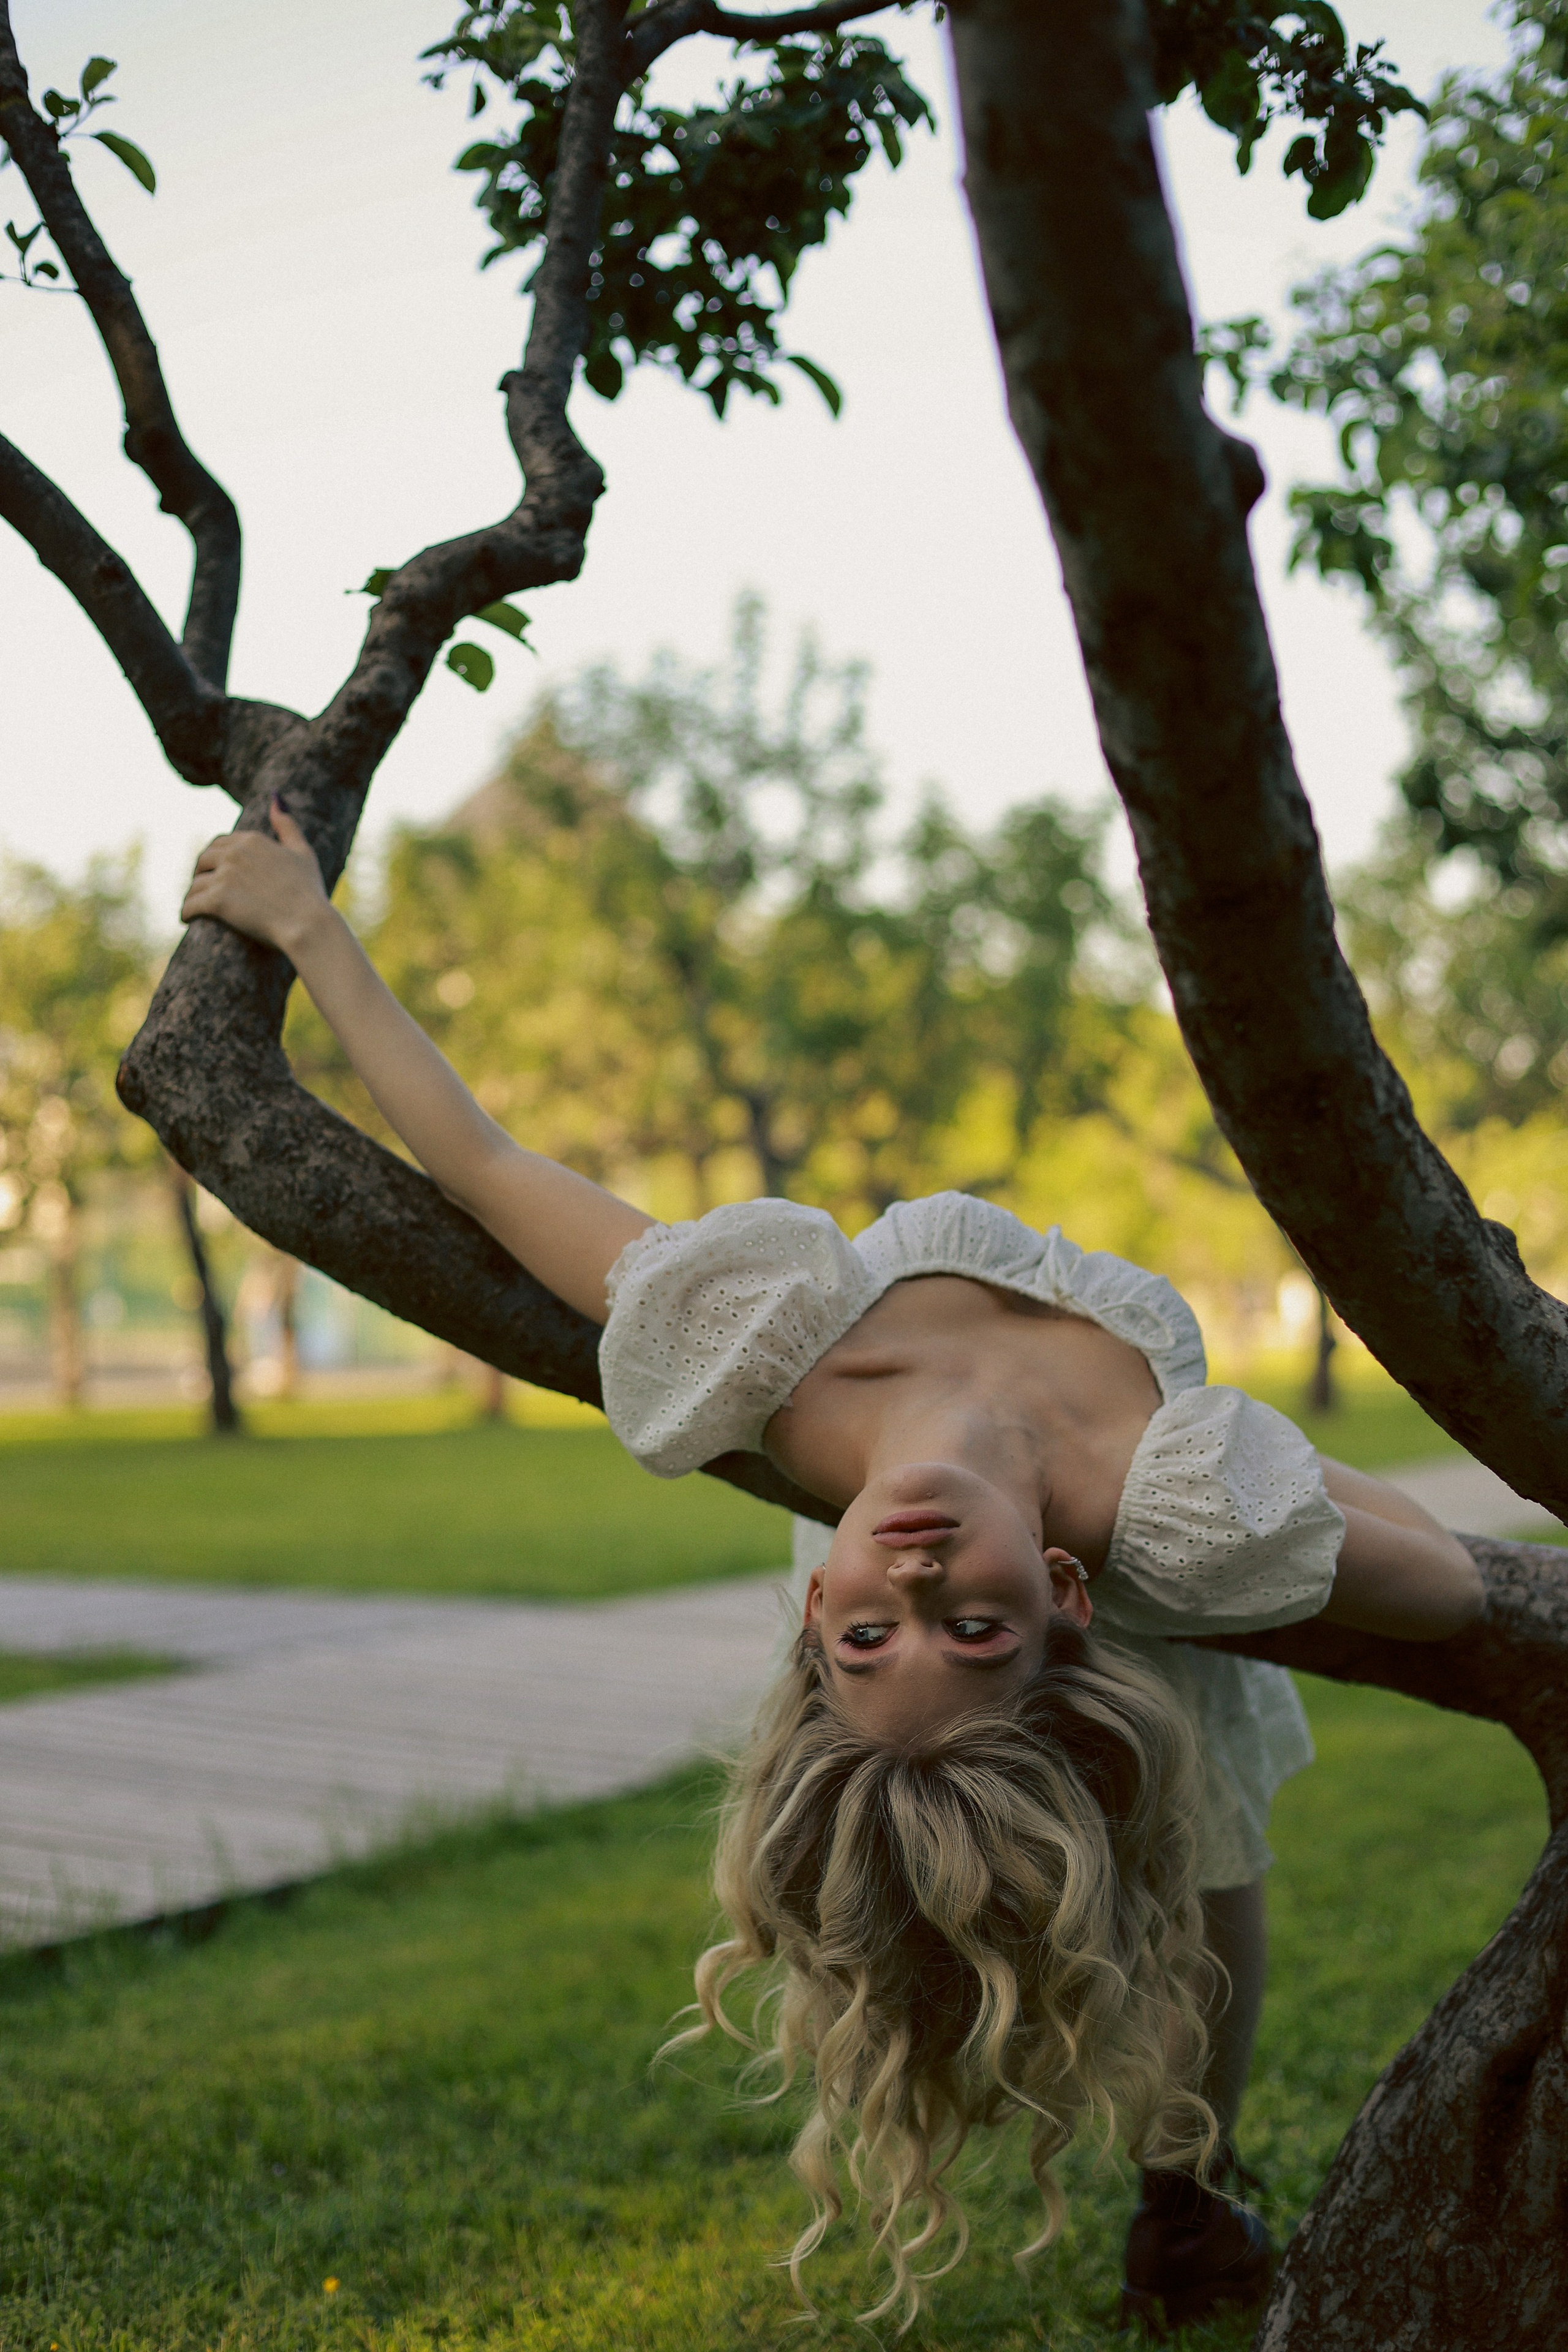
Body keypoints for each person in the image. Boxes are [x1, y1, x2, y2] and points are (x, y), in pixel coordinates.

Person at [182, 804, 1485, 2335]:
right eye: (970, 1621)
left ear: (818, 1608)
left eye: (873, 1631)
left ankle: (1179, 2185)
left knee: (1202, 1863)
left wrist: (312, 930)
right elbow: (1455, 1588)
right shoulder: (1176, 1509)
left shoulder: (769, 1358)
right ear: (1064, 1598)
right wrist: (1261, 1488)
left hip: (1076, 1566)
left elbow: (482, 1162)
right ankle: (1185, 2191)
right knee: (1201, 1847)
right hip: (1163, 1566)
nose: (914, 1573)